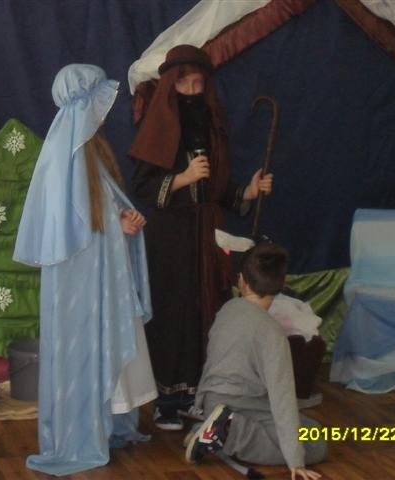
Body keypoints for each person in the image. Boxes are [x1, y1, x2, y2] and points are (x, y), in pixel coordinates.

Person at [13, 64, 157, 476]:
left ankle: (108, 421)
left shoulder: (90, 152)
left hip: (99, 278)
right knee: (83, 353)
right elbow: (73, 227)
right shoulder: (66, 157)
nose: (103, 112)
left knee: (101, 347)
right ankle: (80, 433)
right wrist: (116, 226)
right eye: (98, 103)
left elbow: (96, 213)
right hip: (80, 284)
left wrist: (122, 221)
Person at [130, 44, 273, 429]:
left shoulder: (212, 125)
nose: (192, 92)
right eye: (184, 85)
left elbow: (218, 187)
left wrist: (247, 192)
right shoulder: (157, 125)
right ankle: (168, 400)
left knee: (206, 311)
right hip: (171, 239)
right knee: (173, 313)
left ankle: (200, 394)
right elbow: (142, 187)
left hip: (207, 237)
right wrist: (183, 178)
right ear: (170, 87)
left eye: (198, 84)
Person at [186, 242, 326, 480]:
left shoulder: (228, 308)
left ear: (242, 280)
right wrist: (295, 460)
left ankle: (211, 430)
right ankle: (231, 433)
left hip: (211, 400)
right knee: (316, 443)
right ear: (283, 283)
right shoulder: (272, 333)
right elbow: (282, 399)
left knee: (311, 429)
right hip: (242, 405)